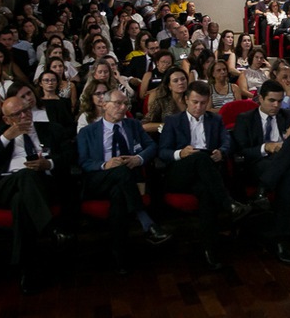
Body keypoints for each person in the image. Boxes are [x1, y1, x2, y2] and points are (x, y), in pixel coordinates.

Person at [0, 96, 75, 294]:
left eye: (27, 111)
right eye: (17, 114)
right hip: (6, 185)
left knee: (21, 201)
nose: (24, 116)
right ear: (6, 119)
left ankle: (25, 270)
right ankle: (51, 229)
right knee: (24, 174)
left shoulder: (51, 129)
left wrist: (49, 164)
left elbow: (70, 155)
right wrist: (6, 137)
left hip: (44, 186)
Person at [158, 81, 251, 270]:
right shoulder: (173, 121)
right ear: (186, 100)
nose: (198, 107)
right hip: (180, 173)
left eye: (202, 102)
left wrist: (221, 152)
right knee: (199, 158)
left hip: (205, 176)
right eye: (194, 102)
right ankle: (229, 203)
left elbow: (227, 142)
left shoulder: (214, 120)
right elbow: (162, 152)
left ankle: (209, 251)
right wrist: (180, 153)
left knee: (207, 193)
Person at [77, 90, 172, 274]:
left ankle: (119, 256)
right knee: (119, 171)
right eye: (118, 103)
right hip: (99, 179)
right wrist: (106, 164)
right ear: (104, 104)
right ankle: (146, 221)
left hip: (126, 181)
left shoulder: (133, 125)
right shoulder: (87, 132)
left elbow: (152, 146)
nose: (123, 108)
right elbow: (84, 163)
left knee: (118, 196)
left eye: (125, 104)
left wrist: (138, 158)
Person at [232, 80, 290, 265]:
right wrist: (267, 147)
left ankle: (262, 191)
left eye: (280, 101)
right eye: (271, 100)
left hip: (282, 165)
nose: (276, 105)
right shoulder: (245, 118)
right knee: (289, 174)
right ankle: (281, 240)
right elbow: (241, 151)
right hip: (259, 164)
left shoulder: (288, 115)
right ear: (260, 99)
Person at [142, 66, 188, 133]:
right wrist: (167, 126)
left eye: (183, 79)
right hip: (169, 138)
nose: (180, 82)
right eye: (175, 81)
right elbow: (145, 125)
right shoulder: (161, 102)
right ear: (169, 86)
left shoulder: (193, 99)